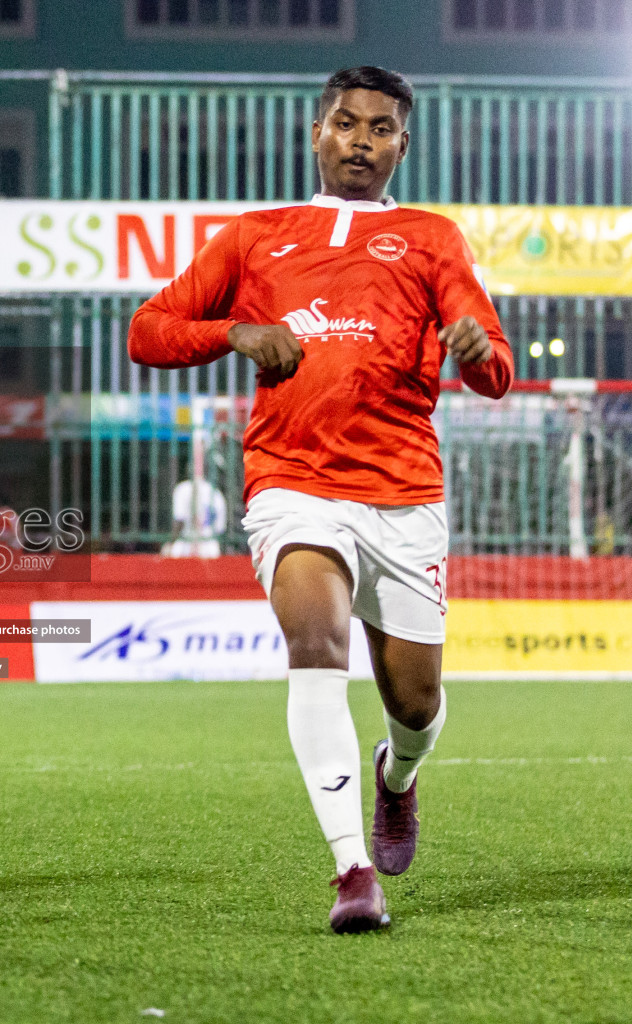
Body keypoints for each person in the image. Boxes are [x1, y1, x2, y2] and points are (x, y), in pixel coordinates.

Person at [129, 66, 514, 934]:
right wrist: (235, 331)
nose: (362, 141)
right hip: (292, 481)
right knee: (315, 641)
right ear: (317, 133)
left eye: (381, 129)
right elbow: (148, 330)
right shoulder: (256, 236)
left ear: (402, 147)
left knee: (415, 705)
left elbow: (497, 370)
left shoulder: (431, 238)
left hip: (404, 492)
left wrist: (471, 347)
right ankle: (351, 871)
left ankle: (398, 778)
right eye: (346, 123)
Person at [164, 477, 228, 558]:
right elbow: (220, 529)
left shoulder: (183, 488)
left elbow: (179, 521)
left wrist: (170, 543)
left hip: (185, 544)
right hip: (210, 547)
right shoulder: (216, 493)